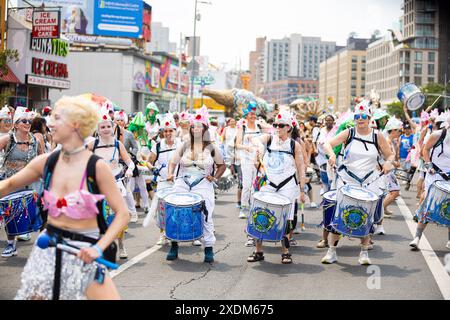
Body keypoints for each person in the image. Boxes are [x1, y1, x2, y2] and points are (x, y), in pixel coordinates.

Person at [2, 96, 129, 299]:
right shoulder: (46, 162)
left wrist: (98, 248)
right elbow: (7, 185)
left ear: (75, 124)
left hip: (85, 253)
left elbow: (123, 213)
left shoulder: (97, 167)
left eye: (57, 118)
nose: (50, 123)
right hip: (48, 250)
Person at [321, 100, 394, 265]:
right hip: (347, 179)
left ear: (369, 118)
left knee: (366, 217)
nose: (360, 119)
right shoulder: (349, 132)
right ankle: (331, 251)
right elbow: (327, 143)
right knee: (338, 213)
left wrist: (389, 163)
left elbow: (389, 155)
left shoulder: (377, 136)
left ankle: (363, 252)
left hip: (369, 181)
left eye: (363, 116)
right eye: (357, 116)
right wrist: (332, 155)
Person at [166, 106, 226, 263]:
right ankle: (174, 244)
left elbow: (222, 166)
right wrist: (170, 173)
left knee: (206, 213)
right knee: (174, 209)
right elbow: (173, 161)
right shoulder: (185, 144)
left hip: (203, 182)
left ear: (205, 128)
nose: (196, 129)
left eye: (199, 126)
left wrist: (214, 177)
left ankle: (208, 248)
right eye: (193, 126)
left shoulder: (212, 147)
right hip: (183, 181)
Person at [246, 111, 306, 264]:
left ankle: (285, 252)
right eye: (275, 125)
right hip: (268, 183)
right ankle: (258, 250)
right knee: (262, 214)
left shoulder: (294, 145)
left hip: (288, 185)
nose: (277, 128)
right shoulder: (269, 139)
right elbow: (254, 139)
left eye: (281, 126)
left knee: (286, 219)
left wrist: (302, 190)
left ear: (289, 128)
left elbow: (301, 167)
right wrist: (259, 147)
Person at [87, 108, 135, 259]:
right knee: (99, 217)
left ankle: (121, 245)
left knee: (117, 216)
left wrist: (129, 170)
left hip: (116, 185)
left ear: (113, 127)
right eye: (103, 127)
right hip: (98, 187)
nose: (106, 129)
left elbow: (130, 162)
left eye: (108, 126)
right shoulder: (92, 145)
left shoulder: (117, 144)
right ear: (98, 130)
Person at [0, 107, 43, 256]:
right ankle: (11, 244)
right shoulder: (8, 139)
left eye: (29, 121)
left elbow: (41, 159)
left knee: (33, 215)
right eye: (23, 121)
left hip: (30, 183)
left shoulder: (36, 141)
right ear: (16, 124)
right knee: (10, 214)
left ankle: (42, 246)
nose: (27, 123)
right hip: (10, 182)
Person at [410, 113, 450, 250]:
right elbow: (424, 149)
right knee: (429, 204)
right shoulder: (437, 135)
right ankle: (417, 237)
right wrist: (429, 164)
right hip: (435, 175)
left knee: (449, 207)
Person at [147, 113, 181, 246]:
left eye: (170, 130)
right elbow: (149, 161)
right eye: (165, 131)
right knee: (162, 209)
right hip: (163, 182)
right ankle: (163, 234)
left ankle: (189, 233)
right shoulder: (158, 146)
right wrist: (153, 169)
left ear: (174, 131)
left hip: (179, 182)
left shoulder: (181, 144)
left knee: (180, 208)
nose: (168, 133)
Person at [373, 117, 402, 235]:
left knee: (390, 194)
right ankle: (378, 216)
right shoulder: (387, 141)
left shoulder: (392, 141)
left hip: (388, 172)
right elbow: (386, 158)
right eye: (399, 130)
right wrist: (395, 163)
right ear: (393, 130)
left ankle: (379, 220)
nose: (400, 132)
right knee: (394, 193)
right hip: (384, 173)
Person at [114, 110, 143, 223]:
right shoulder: (110, 133)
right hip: (114, 164)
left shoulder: (129, 134)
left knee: (126, 189)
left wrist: (131, 156)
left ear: (125, 121)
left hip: (126, 164)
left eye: (122, 120)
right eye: (117, 120)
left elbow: (135, 147)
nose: (120, 122)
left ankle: (133, 213)